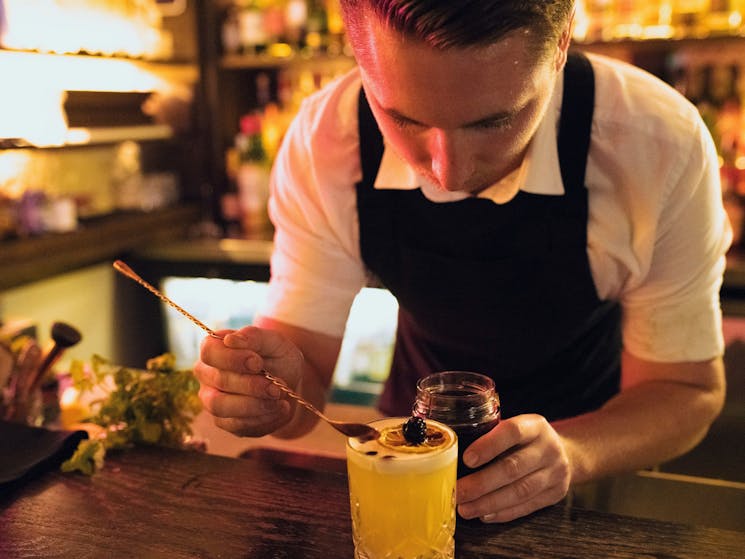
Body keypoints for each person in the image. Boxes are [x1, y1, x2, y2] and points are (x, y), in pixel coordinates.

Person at [195, 0, 730, 523]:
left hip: (596, 467)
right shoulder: (325, 142)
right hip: (411, 455)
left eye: (495, 121)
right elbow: (302, 375)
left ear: (564, 37)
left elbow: (685, 390)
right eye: (402, 118)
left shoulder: (656, 143)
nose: (448, 174)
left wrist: (572, 453)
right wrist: (270, 395)